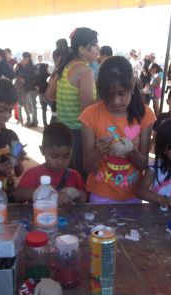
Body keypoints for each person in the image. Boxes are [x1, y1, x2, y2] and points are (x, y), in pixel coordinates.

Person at [79, 56, 156, 203]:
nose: (116, 101)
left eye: (122, 93)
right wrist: (99, 151)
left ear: (132, 85)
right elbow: (87, 166)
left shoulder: (145, 114)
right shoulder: (90, 115)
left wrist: (133, 152)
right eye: (109, 95)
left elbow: (143, 164)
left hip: (133, 195)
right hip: (101, 194)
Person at [56, 27, 99, 180]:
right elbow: (86, 110)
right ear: (82, 49)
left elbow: (49, 95)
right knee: (82, 178)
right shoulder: (85, 71)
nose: (97, 48)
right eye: (94, 45)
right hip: (79, 133)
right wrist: (104, 100)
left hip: (63, 130)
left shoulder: (65, 66)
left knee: (68, 177)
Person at [14, 122, 86, 205]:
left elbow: (83, 194)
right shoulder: (34, 174)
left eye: (66, 157)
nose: (60, 162)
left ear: (72, 152)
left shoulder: (74, 176)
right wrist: (48, 195)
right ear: (42, 150)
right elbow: (18, 194)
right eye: (54, 157)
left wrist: (82, 196)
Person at [15, 52, 38, 127]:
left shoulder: (31, 67)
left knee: (32, 106)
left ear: (28, 58)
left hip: (31, 88)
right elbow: (16, 73)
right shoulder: (22, 66)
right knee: (28, 106)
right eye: (23, 58)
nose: (23, 59)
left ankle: (34, 121)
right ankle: (31, 120)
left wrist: (24, 79)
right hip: (26, 89)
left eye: (24, 58)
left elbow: (32, 77)